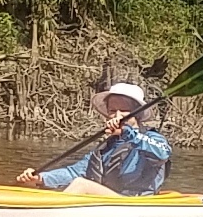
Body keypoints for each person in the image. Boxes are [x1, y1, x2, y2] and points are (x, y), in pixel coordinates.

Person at [17, 81, 172, 196]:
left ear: (137, 113)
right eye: (112, 110)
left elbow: (163, 153)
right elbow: (75, 172)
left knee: (81, 185)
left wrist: (127, 132)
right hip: (112, 204)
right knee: (71, 182)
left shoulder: (151, 138)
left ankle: (50, 216)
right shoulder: (106, 148)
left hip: (135, 204)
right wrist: (40, 178)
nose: (117, 116)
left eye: (124, 110)